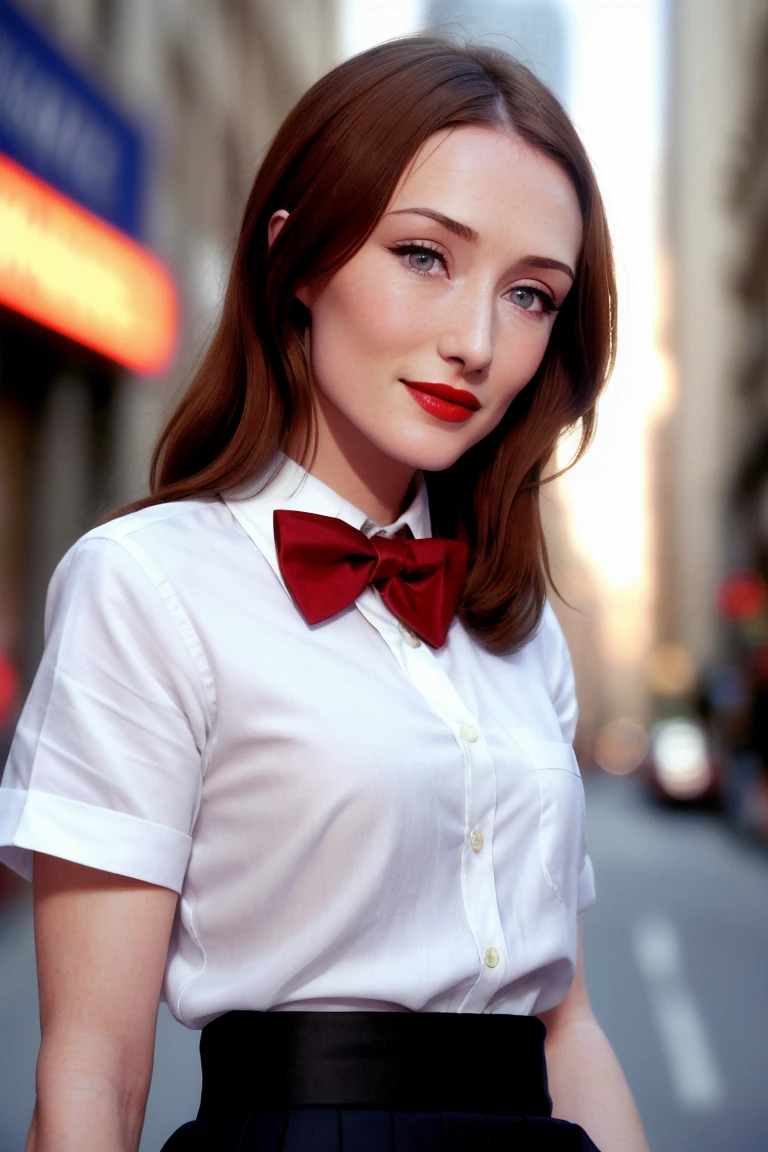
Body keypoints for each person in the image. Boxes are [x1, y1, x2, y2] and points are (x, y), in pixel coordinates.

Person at [0, 36, 651, 1152]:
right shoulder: (150, 586)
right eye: (425, 257)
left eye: (532, 295)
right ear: (296, 259)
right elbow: (92, 1072)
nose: (477, 343)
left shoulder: (520, 625)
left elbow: (570, 1027)